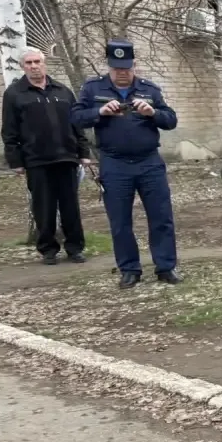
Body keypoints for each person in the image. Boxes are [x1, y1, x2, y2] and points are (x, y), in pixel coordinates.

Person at [71, 40, 180, 288]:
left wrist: (152, 113)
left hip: (149, 162)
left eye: (127, 69)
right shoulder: (92, 89)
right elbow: (76, 118)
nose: (123, 73)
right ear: (109, 66)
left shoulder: (149, 89)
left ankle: (166, 267)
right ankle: (129, 269)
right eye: (118, 69)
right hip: (115, 163)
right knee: (120, 221)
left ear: (134, 66)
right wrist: (99, 112)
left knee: (161, 217)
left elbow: (170, 120)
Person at [2, 46, 91, 264]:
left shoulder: (62, 90)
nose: (34, 66)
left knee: (71, 207)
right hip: (36, 161)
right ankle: (48, 250)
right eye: (29, 63)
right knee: (44, 208)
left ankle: (75, 248)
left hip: (67, 158)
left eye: (37, 62)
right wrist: (15, 160)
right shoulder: (15, 94)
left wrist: (84, 152)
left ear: (44, 63)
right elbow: (9, 130)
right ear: (23, 67)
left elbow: (76, 124)